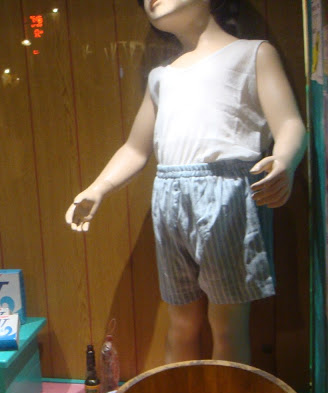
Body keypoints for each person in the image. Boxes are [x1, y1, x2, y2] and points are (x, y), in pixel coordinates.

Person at [65, 0, 306, 365]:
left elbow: (289, 123)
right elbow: (135, 148)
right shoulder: (162, 76)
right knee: (180, 322)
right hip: (169, 196)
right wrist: (98, 187)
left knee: (227, 325)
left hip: (228, 193)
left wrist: (285, 160)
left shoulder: (252, 53)